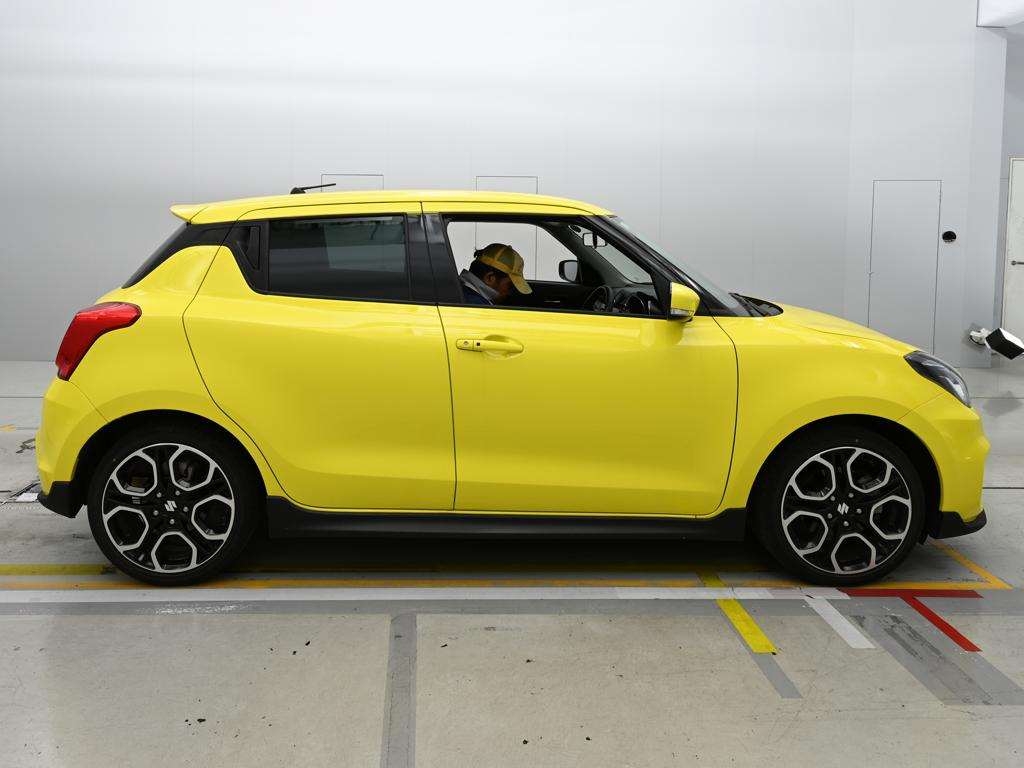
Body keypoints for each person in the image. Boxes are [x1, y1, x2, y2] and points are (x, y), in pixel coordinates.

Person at [459, 243, 532, 305]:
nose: (510, 293)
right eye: (510, 285)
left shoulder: (461, 291)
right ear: (490, 278)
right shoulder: (477, 306)